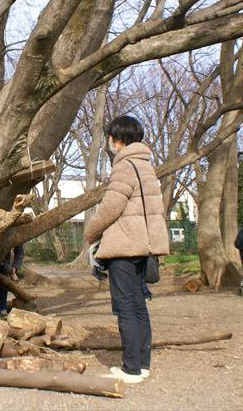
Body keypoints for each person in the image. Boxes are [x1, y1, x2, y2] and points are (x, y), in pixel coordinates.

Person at [84, 115, 169, 384]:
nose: (109, 142)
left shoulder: (124, 166)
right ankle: (142, 364)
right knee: (138, 305)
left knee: (125, 307)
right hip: (144, 246)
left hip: (123, 246)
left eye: (111, 137)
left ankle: (130, 368)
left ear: (117, 139)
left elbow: (111, 208)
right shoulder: (146, 167)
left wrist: (91, 232)